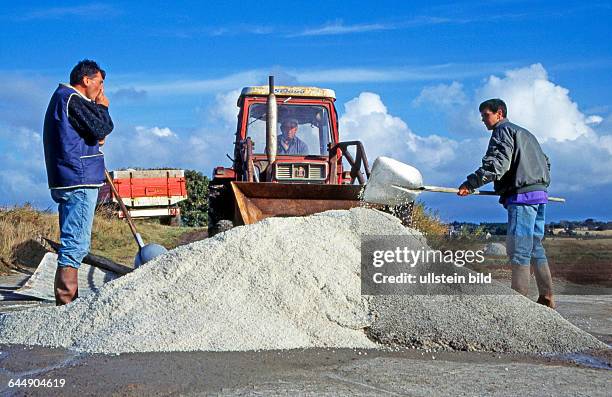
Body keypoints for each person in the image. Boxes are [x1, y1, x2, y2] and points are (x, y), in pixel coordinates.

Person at [457, 98, 555, 308]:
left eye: (486, 115)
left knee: (519, 249)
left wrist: (470, 183)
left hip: (522, 197)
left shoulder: (503, 131)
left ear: (499, 113)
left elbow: (497, 165)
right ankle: (547, 296)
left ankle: (518, 303)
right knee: (535, 247)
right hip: (539, 194)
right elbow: (545, 162)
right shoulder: (527, 134)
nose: (483, 120)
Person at [43, 59, 113, 305]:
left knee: (71, 239)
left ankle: (66, 299)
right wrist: (102, 107)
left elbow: (95, 133)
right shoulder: (72, 98)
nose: (101, 89)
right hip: (79, 179)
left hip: (65, 177)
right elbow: (103, 126)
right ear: (87, 80)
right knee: (76, 244)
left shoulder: (62, 100)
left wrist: (98, 134)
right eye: (100, 82)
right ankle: (66, 303)